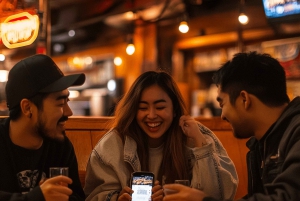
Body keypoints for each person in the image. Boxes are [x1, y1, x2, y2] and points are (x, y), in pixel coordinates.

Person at [163, 51, 300, 201]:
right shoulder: (260, 146)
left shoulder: (296, 133)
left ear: (244, 99)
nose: (222, 116)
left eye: (222, 103)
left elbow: (288, 197)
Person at [84, 71, 238, 201]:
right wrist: (117, 198)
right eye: (142, 108)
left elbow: (220, 196)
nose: (151, 115)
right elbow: (93, 195)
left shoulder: (197, 136)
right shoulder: (113, 144)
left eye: (160, 107)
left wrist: (200, 144)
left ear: (174, 109)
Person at [0, 54, 86, 201]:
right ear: (27, 108)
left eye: (67, 101)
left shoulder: (60, 146)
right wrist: (38, 197)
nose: (69, 112)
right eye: (60, 104)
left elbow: (76, 197)